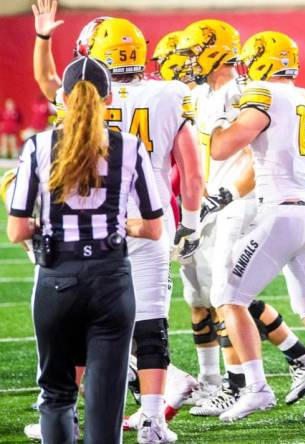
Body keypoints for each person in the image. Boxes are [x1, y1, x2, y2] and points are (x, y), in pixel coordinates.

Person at [31, 6, 205, 439]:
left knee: (73, 321)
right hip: (148, 224)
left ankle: (63, 415)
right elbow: (192, 168)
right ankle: (150, 420)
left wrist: (43, 39)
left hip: (88, 226)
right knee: (150, 323)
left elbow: (47, 82)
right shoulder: (168, 94)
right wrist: (193, 222)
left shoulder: (83, 99)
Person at [7, 55, 163, 444]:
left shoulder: (39, 145)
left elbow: (16, 230)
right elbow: (154, 227)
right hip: (111, 277)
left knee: (57, 395)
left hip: (57, 275)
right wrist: (124, 224)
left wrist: (42, 226)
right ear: (109, 99)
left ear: (61, 97)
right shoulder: (129, 146)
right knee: (105, 402)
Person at [176, 21, 305, 416]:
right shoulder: (206, 93)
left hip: (238, 204)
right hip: (215, 203)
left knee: (227, 295)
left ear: (214, 51)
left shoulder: (244, 93)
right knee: (223, 294)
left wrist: (220, 197)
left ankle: (240, 384)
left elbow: (254, 158)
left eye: (193, 53)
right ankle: (296, 358)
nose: (187, 61)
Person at [207, 30, 305, 422]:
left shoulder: (265, 95)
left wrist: (220, 116)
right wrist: (298, 190)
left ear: (260, 63)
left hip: (281, 213)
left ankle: (256, 388)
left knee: (228, 296)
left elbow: (221, 147)